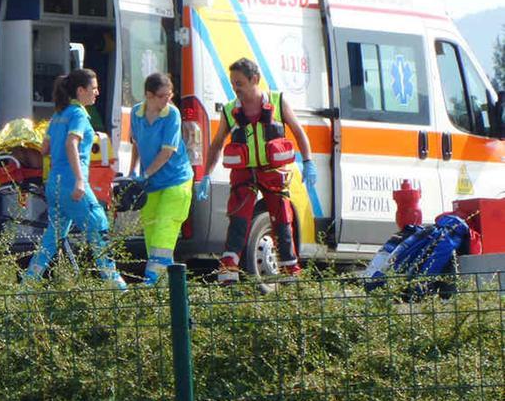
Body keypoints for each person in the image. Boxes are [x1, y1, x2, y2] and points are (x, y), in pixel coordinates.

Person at [201, 58, 317, 283]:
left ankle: (289, 270)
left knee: (282, 218)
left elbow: (298, 131)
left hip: (273, 171)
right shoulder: (229, 111)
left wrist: (308, 161)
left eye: (240, 83)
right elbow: (216, 144)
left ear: (255, 80)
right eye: (233, 83)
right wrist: (206, 174)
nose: (235, 88)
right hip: (244, 173)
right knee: (239, 219)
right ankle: (229, 269)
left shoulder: (277, 101)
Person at [24, 68, 127, 289]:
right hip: (73, 183)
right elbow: (72, 143)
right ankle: (117, 287)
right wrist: (80, 180)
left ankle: (26, 286)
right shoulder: (78, 115)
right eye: (94, 88)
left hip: (55, 185)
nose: (97, 92)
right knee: (99, 225)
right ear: (81, 90)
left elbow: (44, 149)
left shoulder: (58, 115)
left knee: (51, 239)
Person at [129, 72, 208, 286]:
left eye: (170, 95)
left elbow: (167, 152)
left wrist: (144, 174)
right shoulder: (136, 113)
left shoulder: (171, 114)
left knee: (165, 229)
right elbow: (136, 143)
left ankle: (151, 281)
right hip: (152, 184)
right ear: (149, 95)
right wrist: (132, 172)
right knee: (152, 233)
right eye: (163, 96)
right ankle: (168, 289)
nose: (168, 99)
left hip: (176, 181)